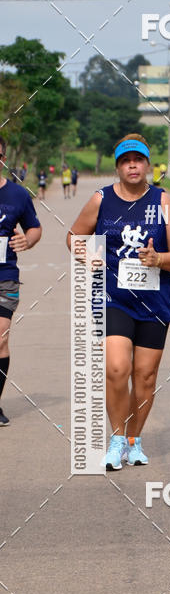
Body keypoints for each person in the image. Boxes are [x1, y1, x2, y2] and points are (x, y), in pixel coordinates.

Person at [67, 133, 170, 469]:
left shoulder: (163, 202)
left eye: (138, 160)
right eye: (125, 161)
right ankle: (117, 438)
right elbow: (74, 236)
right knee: (116, 368)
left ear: (148, 165)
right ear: (118, 167)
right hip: (113, 297)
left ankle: (134, 441)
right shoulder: (101, 199)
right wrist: (86, 255)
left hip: (155, 302)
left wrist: (159, 259)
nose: (132, 166)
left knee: (145, 376)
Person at [0, 135, 42, 426]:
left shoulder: (17, 195)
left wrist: (27, 240)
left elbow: (34, 227)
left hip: (4, 277)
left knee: (0, 338)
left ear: (3, 159)